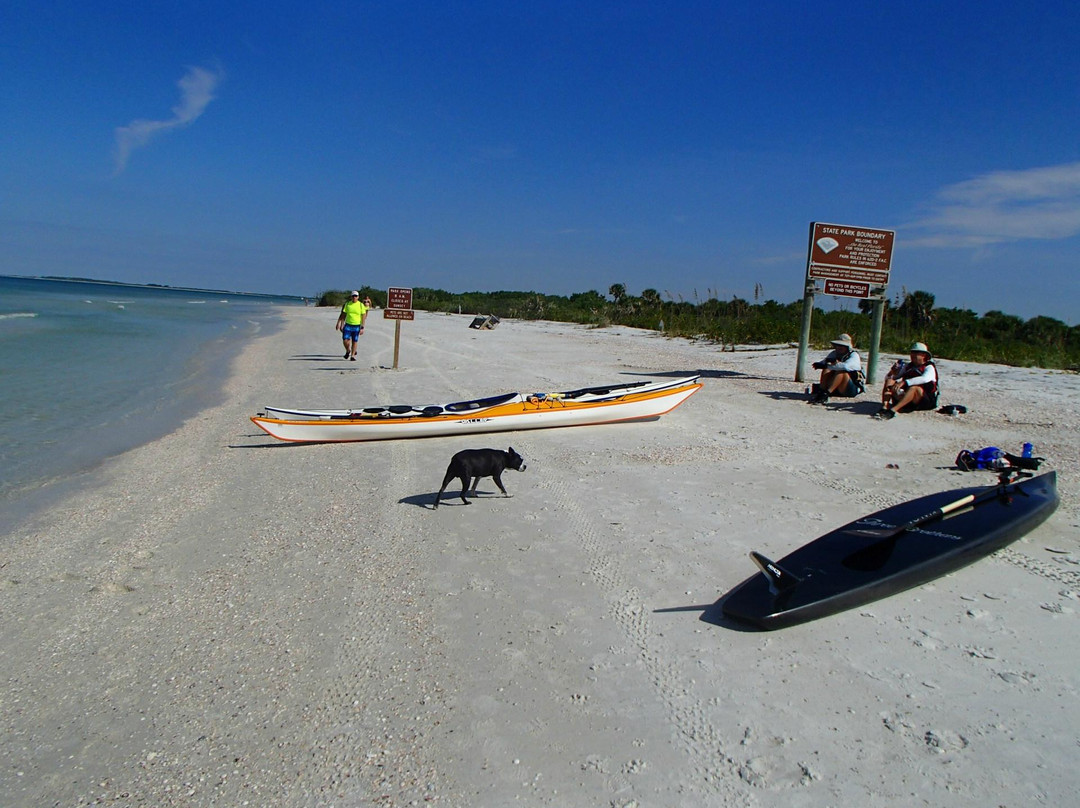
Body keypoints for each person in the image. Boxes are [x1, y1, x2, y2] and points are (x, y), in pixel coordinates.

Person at [876, 342, 938, 419]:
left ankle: (893, 410)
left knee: (914, 388)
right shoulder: (908, 366)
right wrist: (892, 372)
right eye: (912, 353)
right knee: (890, 381)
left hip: (924, 400)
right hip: (907, 396)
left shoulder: (929, 367)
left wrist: (904, 382)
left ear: (924, 355)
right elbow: (888, 378)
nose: (913, 355)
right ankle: (885, 406)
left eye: (916, 353)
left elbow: (925, 379)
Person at [807, 333, 863, 404]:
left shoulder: (854, 355)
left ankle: (827, 393)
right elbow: (825, 362)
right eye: (838, 345)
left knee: (841, 372)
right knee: (826, 370)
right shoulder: (834, 353)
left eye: (842, 345)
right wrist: (820, 364)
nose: (839, 347)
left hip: (851, 387)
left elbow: (846, 366)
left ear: (847, 347)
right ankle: (822, 391)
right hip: (837, 386)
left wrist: (829, 366)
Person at [336, 291, 368, 361]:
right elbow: (343, 314)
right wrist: (341, 324)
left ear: (358, 297)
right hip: (348, 325)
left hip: (356, 325)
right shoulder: (347, 304)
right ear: (351, 297)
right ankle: (348, 350)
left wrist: (362, 327)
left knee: (355, 340)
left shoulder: (360, 305)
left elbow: (363, 315)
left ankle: (353, 356)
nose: (354, 297)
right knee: (345, 340)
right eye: (353, 296)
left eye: (356, 296)